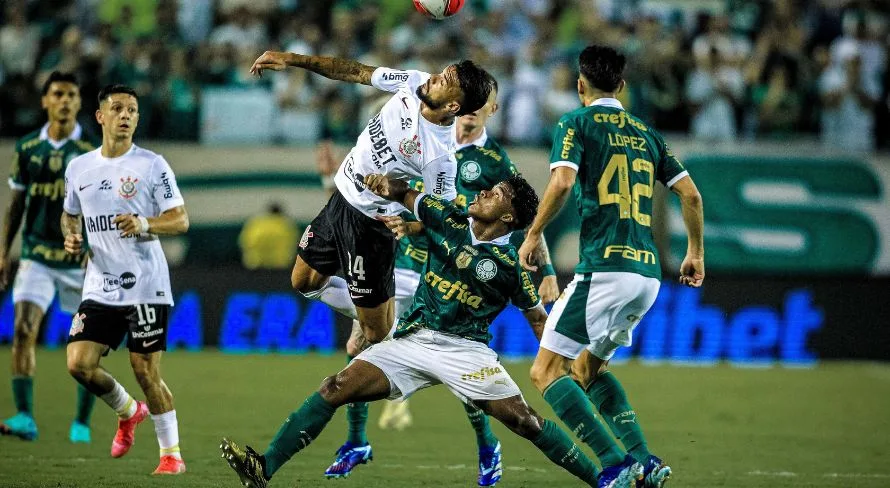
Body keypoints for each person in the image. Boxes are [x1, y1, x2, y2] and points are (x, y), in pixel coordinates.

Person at [220, 173, 639, 488]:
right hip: (412, 338)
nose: (483, 193)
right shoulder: (450, 218)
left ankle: (601, 480)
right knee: (335, 387)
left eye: (494, 195)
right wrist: (384, 183)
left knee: (525, 422)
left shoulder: (511, 266)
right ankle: (263, 468)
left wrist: (556, 363)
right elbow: (406, 193)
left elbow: (536, 320)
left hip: (466, 351)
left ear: (508, 217)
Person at [519, 45, 706, 488]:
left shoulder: (575, 122)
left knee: (545, 371)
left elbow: (563, 181)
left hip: (604, 268)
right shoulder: (646, 132)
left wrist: (532, 234)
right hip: (648, 276)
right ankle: (645, 459)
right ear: (622, 86)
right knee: (587, 369)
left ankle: (616, 464)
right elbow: (691, 195)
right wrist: (695, 252)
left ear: (580, 85)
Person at [369, 75, 562, 486]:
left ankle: (486, 443)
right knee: (361, 341)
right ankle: (354, 442)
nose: (472, 109)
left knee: (461, 368)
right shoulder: (427, 135)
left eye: (483, 103)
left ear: (492, 111)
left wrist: (545, 271)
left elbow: (527, 220)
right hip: (411, 259)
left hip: (459, 267)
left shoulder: (496, 164)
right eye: (467, 101)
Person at [248, 50, 491, 352]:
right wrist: (292, 59)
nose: (434, 77)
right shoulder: (413, 83)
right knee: (304, 282)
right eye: (441, 72)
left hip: (371, 227)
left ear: (453, 105)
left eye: (444, 80)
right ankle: (379, 308)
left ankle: (393, 323)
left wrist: (409, 225)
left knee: (375, 334)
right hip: (341, 200)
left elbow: (440, 217)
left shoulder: (440, 156)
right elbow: (354, 71)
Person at [62, 84, 190, 475]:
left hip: (146, 286)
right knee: (78, 365)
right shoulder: (79, 168)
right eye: (117, 108)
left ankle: (172, 455)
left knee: (145, 370)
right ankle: (129, 411)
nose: (126, 115)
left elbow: (181, 220)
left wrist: (144, 222)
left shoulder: (152, 165)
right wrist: (71, 236)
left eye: (132, 110)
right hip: (100, 284)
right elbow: (70, 213)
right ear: (100, 116)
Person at [0, 71, 98, 443]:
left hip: (78, 261)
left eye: (72, 94)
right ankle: (25, 416)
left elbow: (99, 205)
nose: (66, 100)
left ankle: (82, 423)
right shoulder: (27, 148)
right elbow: (16, 205)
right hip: (36, 254)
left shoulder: (91, 150)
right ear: (45, 101)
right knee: (23, 329)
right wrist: (2, 252)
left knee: (87, 346)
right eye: (58, 94)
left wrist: (95, 247)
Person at [238, 201, 299, 270]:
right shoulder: (287, 225)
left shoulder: (255, 224)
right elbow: (295, 243)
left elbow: (244, 241)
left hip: (254, 263)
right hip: (280, 264)